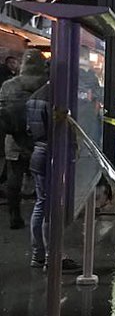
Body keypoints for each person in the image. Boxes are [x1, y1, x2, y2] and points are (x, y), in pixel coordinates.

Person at [26, 82, 80, 271]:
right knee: (52, 208)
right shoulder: (57, 98)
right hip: (53, 156)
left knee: (41, 204)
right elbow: (60, 131)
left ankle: (38, 254)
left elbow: (29, 129)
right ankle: (53, 256)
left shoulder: (35, 95)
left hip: (38, 153)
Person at [0, 49, 48, 229]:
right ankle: (44, 215)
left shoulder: (8, 85)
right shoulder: (46, 85)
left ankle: (15, 215)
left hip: (14, 140)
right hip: (39, 140)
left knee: (14, 179)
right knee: (43, 178)